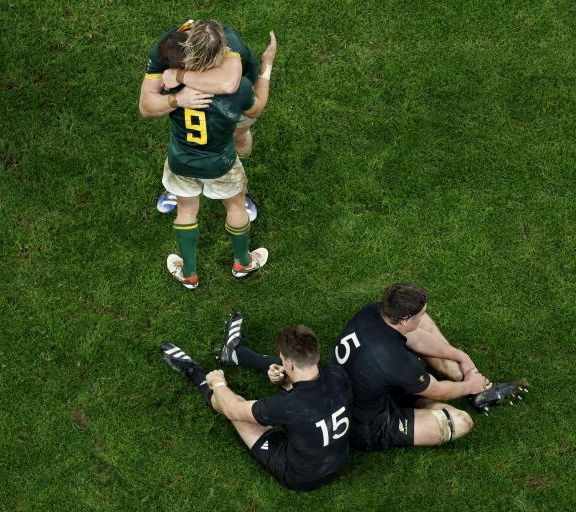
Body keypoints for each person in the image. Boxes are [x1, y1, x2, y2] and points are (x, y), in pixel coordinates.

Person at [139, 21, 277, 289]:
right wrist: (267, 66)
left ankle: (189, 274)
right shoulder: (239, 89)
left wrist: (174, 97)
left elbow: (148, 103)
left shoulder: (171, 84)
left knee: (187, 210)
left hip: (181, 161)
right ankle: (242, 263)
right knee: (236, 207)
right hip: (220, 164)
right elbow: (256, 109)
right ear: (221, 55)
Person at [330, 283, 527, 452]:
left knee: (422, 323)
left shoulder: (373, 310)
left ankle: (474, 388)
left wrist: (459, 354)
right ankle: (471, 390)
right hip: (367, 425)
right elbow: (439, 392)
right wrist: (470, 386)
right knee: (459, 422)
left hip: (362, 387)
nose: (423, 313)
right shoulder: (396, 361)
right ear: (404, 319)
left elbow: (416, 338)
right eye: (419, 312)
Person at [160, 320, 353, 491]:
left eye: (284, 360)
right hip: (335, 461)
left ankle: (194, 373)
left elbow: (232, 409)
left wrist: (218, 382)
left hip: (300, 475)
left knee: (237, 408)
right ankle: (235, 353)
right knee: (290, 372)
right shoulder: (338, 375)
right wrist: (285, 382)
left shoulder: (287, 405)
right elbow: (310, 393)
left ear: (290, 365)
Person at [144, 19, 262, 221]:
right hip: (189, 99)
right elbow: (146, 105)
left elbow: (228, 84)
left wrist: (179, 75)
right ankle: (181, 189)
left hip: (237, 98)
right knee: (186, 139)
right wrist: (176, 99)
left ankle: (240, 189)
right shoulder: (165, 49)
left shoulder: (228, 43)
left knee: (238, 137)